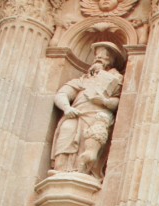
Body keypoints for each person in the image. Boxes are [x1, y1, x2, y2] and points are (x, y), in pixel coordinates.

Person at [50, 42, 125, 178]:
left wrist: (104, 101)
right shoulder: (83, 80)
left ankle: (83, 172)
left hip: (97, 117)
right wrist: (67, 108)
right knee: (67, 129)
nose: (99, 58)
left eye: (105, 56)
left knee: (91, 142)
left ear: (111, 61)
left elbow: (118, 100)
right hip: (76, 114)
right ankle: (61, 169)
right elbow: (62, 94)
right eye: (97, 56)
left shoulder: (116, 79)